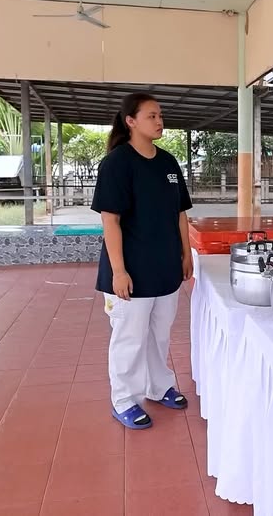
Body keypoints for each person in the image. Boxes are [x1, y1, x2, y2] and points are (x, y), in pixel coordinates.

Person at [91, 92, 193, 430]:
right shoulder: (117, 164)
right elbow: (110, 220)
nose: (159, 121)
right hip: (131, 273)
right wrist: (119, 271)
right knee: (130, 339)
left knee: (159, 334)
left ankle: (158, 386)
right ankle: (124, 400)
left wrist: (185, 253)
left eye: (160, 115)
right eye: (152, 116)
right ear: (131, 121)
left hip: (165, 268)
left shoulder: (168, 163)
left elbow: (180, 214)